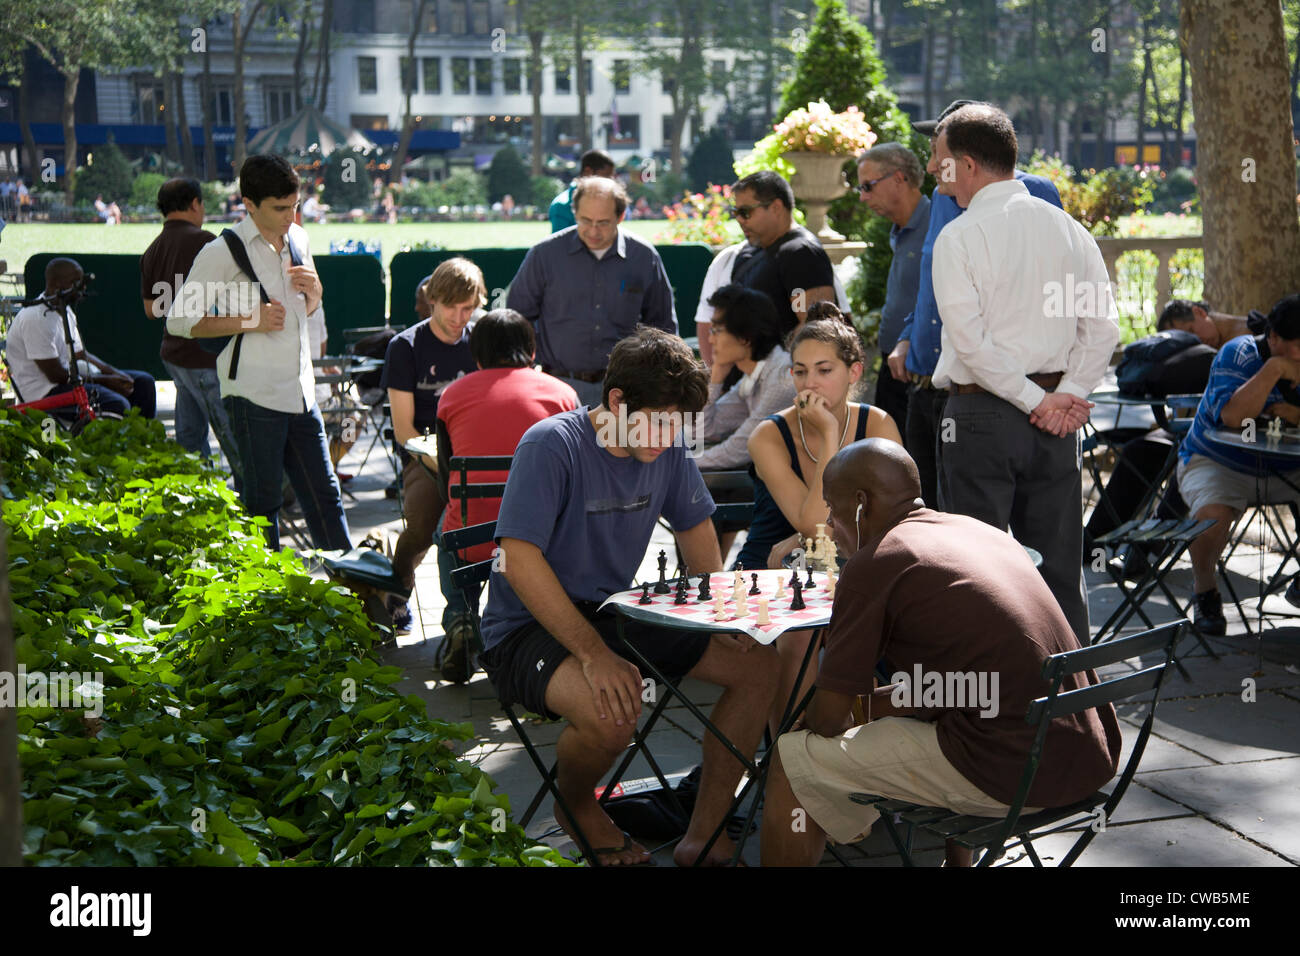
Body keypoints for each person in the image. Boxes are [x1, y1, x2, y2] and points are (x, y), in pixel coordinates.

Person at [478, 328, 779, 866]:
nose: (670, 436)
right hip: (526, 627)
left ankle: (704, 834)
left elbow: (696, 529)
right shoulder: (552, 443)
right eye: (662, 421)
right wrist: (594, 657)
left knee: (757, 664)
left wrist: (720, 615)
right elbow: (519, 561)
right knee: (614, 710)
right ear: (617, 400)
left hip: (613, 611)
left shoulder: (664, 444)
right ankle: (577, 807)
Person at [761, 439, 1122, 867]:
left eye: (831, 507)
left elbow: (828, 721)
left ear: (860, 504)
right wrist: (874, 707)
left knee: (792, 757)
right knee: (912, 718)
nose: (829, 522)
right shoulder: (980, 532)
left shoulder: (876, 562)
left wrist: (828, 717)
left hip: (1014, 776)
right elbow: (972, 681)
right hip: (1087, 757)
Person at [929, 103, 1119, 646]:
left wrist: (1044, 399)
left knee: (979, 571)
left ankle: (991, 705)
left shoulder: (959, 238)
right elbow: (1101, 328)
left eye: (938, 160)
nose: (932, 171)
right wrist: (1067, 395)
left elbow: (971, 343)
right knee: (1060, 568)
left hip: (985, 415)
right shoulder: (1070, 230)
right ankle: (1072, 708)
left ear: (966, 165)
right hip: (1054, 418)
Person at [167, 153, 350, 553]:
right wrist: (251, 319)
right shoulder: (221, 251)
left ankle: (354, 593)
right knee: (262, 507)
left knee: (326, 497)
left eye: (296, 205)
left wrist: (316, 294)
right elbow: (178, 320)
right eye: (281, 208)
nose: (291, 215)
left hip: (302, 392)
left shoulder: (299, 239)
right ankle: (267, 600)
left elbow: (308, 309)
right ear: (249, 204)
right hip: (253, 396)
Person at [888, 99, 1065, 509]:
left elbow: (1045, 280)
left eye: (939, 147)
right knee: (929, 517)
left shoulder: (1034, 193)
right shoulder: (944, 198)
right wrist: (905, 334)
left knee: (980, 535)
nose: (932, 161)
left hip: (990, 391)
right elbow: (935, 281)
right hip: (927, 381)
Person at [433, 309, 579, 681]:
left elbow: (447, 473)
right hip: (545, 543)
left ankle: (462, 618)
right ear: (531, 350)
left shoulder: (452, 394)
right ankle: (538, 622)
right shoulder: (563, 394)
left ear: (476, 353)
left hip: (472, 538)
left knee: (446, 530)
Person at [1174, 294, 1300, 635]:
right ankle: (1205, 591)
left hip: (1287, 467)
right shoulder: (1240, 353)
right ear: (1272, 338)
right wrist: (1274, 370)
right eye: (1293, 348)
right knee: (1213, 513)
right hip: (1216, 462)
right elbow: (1232, 417)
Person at [738, 317, 902, 572]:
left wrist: (801, 538)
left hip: (855, 568)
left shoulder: (878, 424)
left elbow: (895, 516)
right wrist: (829, 433)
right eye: (800, 372)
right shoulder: (767, 436)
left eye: (824, 370)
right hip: (770, 572)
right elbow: (818, 528)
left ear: (854, 372)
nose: (810, 383)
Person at [506, 176, 676, 406]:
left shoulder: (643, 257)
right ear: (574, 213)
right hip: (557, 386)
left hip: (624, 391)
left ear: (621, 216)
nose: (594, 231)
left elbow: (663, 326)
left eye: (603, 222)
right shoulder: (545, 255)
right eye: (586, 220)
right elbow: (516, 318)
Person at [382, 258, 485, 636]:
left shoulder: (479, 341)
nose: (460, 317)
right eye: (452, 307)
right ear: (432, 300)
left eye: (469, 308)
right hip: (423, 455)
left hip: (475, 452)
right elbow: (403, 429)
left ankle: (477, 614)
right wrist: (440, 466)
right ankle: (397, 591)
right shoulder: (406, 346)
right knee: (423, 525)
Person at [140, 178, 242, 482]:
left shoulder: (153, 249)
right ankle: (258, 500)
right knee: (233, 437)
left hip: (174, 355)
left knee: (189, 435)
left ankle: (199, 497)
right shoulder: (208, 243)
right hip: (206, 355)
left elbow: (150, 310)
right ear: (196, 204)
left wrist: (177, 308)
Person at [8, 258, 156, 419]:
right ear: (56, 284)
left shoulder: (64, 310)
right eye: (76, 282)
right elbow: (56, 375)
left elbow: (80, 354)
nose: (82, 287)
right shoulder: (35, 318)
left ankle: (141, 440)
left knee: (143, 383)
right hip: (45, 392)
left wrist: (115, 373)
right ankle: (114, 442)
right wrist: (106, 380)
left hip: (67, 382)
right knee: (117, 404)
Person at [856, 143, 930, 435]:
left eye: (868, 186)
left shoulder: (936, 226)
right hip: (893, 365)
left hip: (918, 368)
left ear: (899, 178)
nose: (863, 198)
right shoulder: (899, 230)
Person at [694, 240, 852, 367]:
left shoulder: (809, 256)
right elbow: (705, 323)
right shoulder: (727, 259)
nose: (712, 338)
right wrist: (716, 374)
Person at [696, 285, 795, 471]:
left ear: (745, 337)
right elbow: (700, 431)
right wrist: (716, 378)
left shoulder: (782, 378)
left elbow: (737, 451)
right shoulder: (753, 377)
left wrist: (678, 465)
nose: (710, 340)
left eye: (716, 330)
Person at [728, 171, 836, 335]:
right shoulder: (751, 250)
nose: (739, 220)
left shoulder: (801, 253)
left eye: (745, 212)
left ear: (776, 207)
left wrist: (777, 360)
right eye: (735, 212)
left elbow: (817, 327)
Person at [549, 148, 616, 232]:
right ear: (588, 171)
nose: (611, 181)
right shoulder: (562, 205)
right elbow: (560, 243)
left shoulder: (609, 201)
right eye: (606, 176)